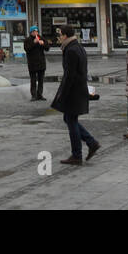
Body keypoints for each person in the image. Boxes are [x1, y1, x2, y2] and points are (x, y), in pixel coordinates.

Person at [51, 25, 99, 165]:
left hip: (73, 91)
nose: (59, 38)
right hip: (79, 89)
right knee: (69, 118)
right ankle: (91, 142)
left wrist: (62, 94)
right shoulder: (77, 47)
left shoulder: (70, 50)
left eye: (60, 35)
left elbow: (69, 75)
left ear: (65, 35)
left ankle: (77, 154)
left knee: (70, 120)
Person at [23, 26, 48, 101]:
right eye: (33, 31)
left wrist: (43, 44)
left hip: (41, 63)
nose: (35, 33)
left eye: (36, 31)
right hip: (32, 63)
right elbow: (26, 49)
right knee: (33, 80)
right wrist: (34, 43)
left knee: (41, 80)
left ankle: (40, 94)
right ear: (31, 32)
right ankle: (33, 95)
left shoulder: (41, 38)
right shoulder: (27, 40)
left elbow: (47, 48)